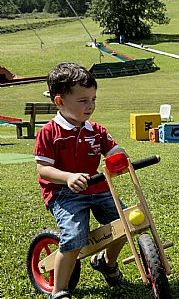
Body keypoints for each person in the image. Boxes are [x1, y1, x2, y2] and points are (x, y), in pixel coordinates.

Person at [34, 63, 126, 299]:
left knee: (126, 223)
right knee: (75, 236)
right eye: (83, 101)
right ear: (60, 102)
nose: (91, 106)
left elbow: (115, 151)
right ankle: (59, 291)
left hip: (97, 186)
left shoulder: (96, 130)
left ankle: (107, 262)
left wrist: (119, 159)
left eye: (93, 99)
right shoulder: (49, 132)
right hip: (64, 193)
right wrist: (68, 177)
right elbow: (43, 170)